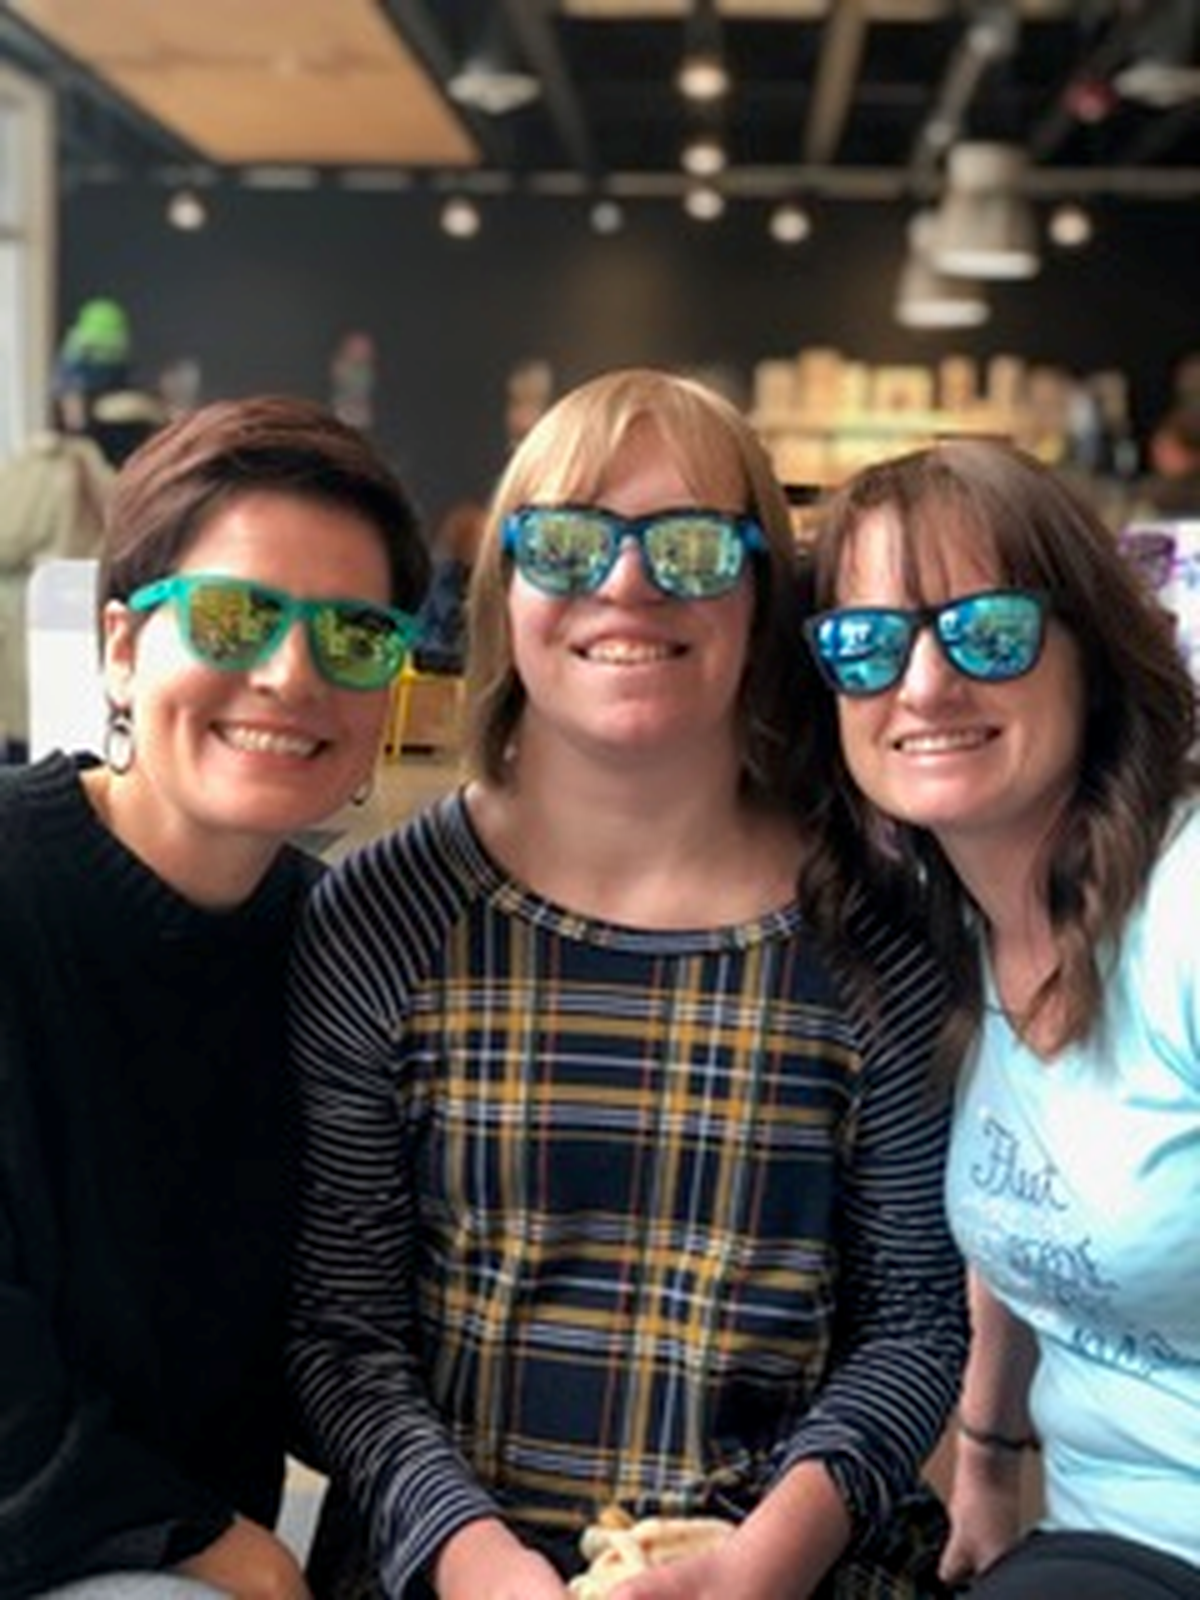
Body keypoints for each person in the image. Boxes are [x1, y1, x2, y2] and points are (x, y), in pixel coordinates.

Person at [286, 367, 968, 1600]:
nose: (628, 582)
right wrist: (474, 1556)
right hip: (447, 1568)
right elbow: (344, 1336)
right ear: (502, 586)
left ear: (763, 598)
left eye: (695, 546)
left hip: (780, 1567)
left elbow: (914, 1323)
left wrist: (771, 1553)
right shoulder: (383, 915)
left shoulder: (874, 932)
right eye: (567, 542)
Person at [0, 394, 431, 1599]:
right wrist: (223, 1546)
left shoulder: (331, 939)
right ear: (125, 648)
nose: (292, 674)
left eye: (354, 635)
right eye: (238, 617)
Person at [800, 437, 1200, 1599]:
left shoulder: (1180, 910)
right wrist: (983, 1459)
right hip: (1105, 1537)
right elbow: (1030, 1201)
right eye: (868, 645)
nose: (923, 685)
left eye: (987, 628)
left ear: (1093, 653)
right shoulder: (954, 930)